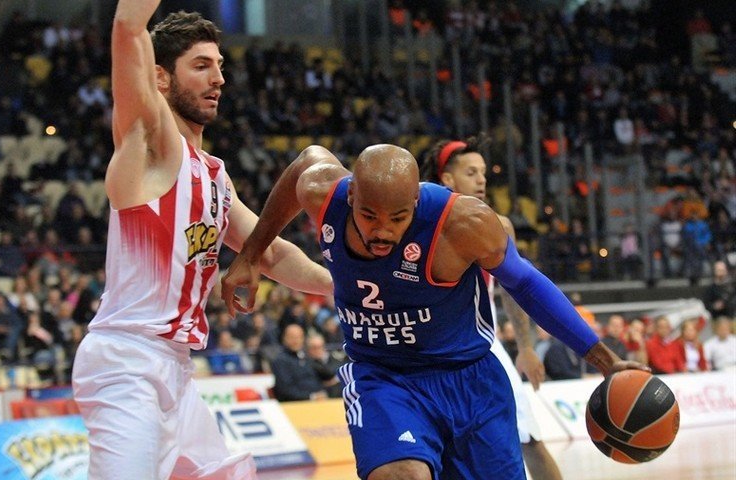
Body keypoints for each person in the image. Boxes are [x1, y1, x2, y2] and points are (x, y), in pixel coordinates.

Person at [222, 143, 646, 479]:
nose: (382, 231)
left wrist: (602, 358)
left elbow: (526, 283)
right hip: (384, 376)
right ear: (350, 194)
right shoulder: (323, 193)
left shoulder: (463, 223)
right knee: (401, 474)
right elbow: (305, 161)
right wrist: (251, 252)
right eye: (368, 216)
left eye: (397, 218)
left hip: (471, 379)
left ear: (416, 199)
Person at [71, 3, 332, 479]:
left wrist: (347, 286)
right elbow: (128, 28)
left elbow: (271, 252)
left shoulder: (213, 174)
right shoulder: (150, 141)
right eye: (201, 66)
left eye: (220, 66)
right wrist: (133, 25)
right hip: (127, 362)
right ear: (160, 78)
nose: (218, 79)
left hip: (175, 367)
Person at [420, 135, 561, 479]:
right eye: (471, 173)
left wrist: (525, 347)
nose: (482, 180)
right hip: (431, 354)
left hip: (486, 349)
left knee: (529, 440)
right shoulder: (420, 227)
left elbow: (512, 291)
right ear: (447, 178)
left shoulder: (498, 224)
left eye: (483, 172)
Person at [271, 323, 330, 401]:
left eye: (299, 337)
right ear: (284, 338)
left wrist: (320, 359)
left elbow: (326, 376)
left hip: (319, 400)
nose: (296, 341)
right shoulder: (280, 361)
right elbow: (285, 390)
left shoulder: (306, 357)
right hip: (297, 404)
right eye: (292, 337)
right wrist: (311, 397)